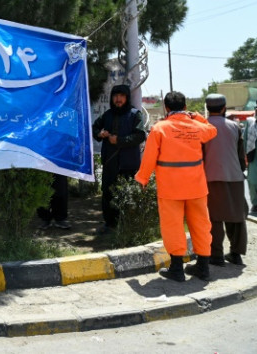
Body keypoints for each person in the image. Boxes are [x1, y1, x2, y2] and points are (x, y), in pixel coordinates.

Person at [135, 91, 217, 282]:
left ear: (166, 107)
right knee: (201, 225)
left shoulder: (159, 128)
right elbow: (212, 129)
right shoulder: (197, 126)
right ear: (185, 107)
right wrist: (195, 116)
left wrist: (142, 179)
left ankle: (177, 269)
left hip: (170, 188)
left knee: (173, 227)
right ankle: (203, 268)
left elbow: (149, 158)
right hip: (196, 187)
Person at [92, 84, 146, 233]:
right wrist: (100, 133)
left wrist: (120, 140)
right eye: (115, 96)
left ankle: (128, 226)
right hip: (110, 163)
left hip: (128, 164)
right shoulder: (107, 115)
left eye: (121, 96)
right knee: (108, 194)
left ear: (127, 98)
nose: (118, 99)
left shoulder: (135, 114)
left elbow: (140, 135)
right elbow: (94, 128)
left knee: (128, 195)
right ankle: (110, 224)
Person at [203, 94, 248, 266]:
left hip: (210, 177)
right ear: (224, 108)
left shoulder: (202, 126)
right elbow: (240, 154)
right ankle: (236, 254)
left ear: (208, 108)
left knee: (214, 218)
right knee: (236, 216)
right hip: (234, 177)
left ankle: (216, 255)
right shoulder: (235, 126)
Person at [244, 100, 257, 214]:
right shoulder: (251, 123)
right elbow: (245, 141)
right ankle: (256, 203)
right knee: (253, 181)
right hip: (254, 157)